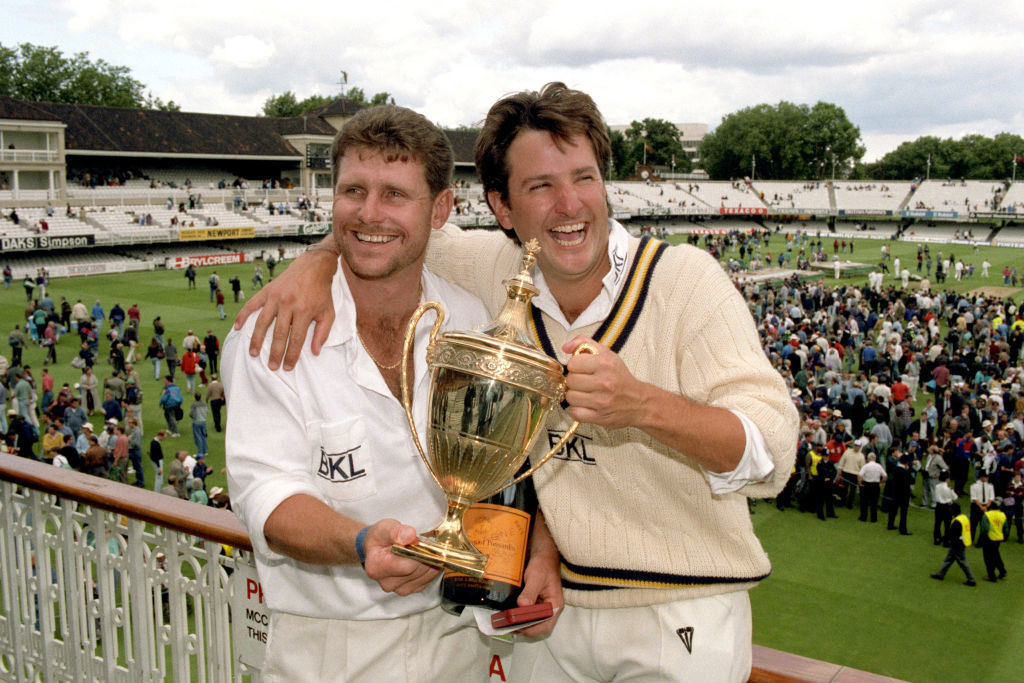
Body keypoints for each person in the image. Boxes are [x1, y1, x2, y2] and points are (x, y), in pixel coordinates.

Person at [235, 84, 799, 681]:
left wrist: (643, 405)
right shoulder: (493, 270)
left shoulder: (685, 280)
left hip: (678, 612)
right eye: (540, 187)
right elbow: (385, 226)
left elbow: (771, 453)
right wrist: (316, 262)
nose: (570, 204)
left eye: (584, 178)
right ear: (503, 209)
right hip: (545, 621)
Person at [224, 105, 501, 680]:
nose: (369, 213)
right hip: (327, 648)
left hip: (458, 641)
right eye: (353, 190)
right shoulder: (272, 330)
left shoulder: (470, 319)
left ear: (441, 208)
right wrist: (361, 542)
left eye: (395, 194)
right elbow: (267, 498)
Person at [930, 502, 977, 586]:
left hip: (958, 544)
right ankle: (941, 574)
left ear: (953, 510)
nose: (949, 510)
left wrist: (941, 539)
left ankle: (971, 579)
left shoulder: (957, 521)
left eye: (950, 509)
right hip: (962, 541)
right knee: (949, 559)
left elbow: (951, 534)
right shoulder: (964, 518)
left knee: (962, 562)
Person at [857, 452, 887, 522]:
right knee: (874, 502)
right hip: (875, 485)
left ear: (868, 458)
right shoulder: (879, 466)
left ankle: (863, 517)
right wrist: (881, 482)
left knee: (864, 502)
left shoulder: (866, 466)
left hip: (866, 484)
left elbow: (860, 475)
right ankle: (874, 518)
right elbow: (885, 476)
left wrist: (859, 483)